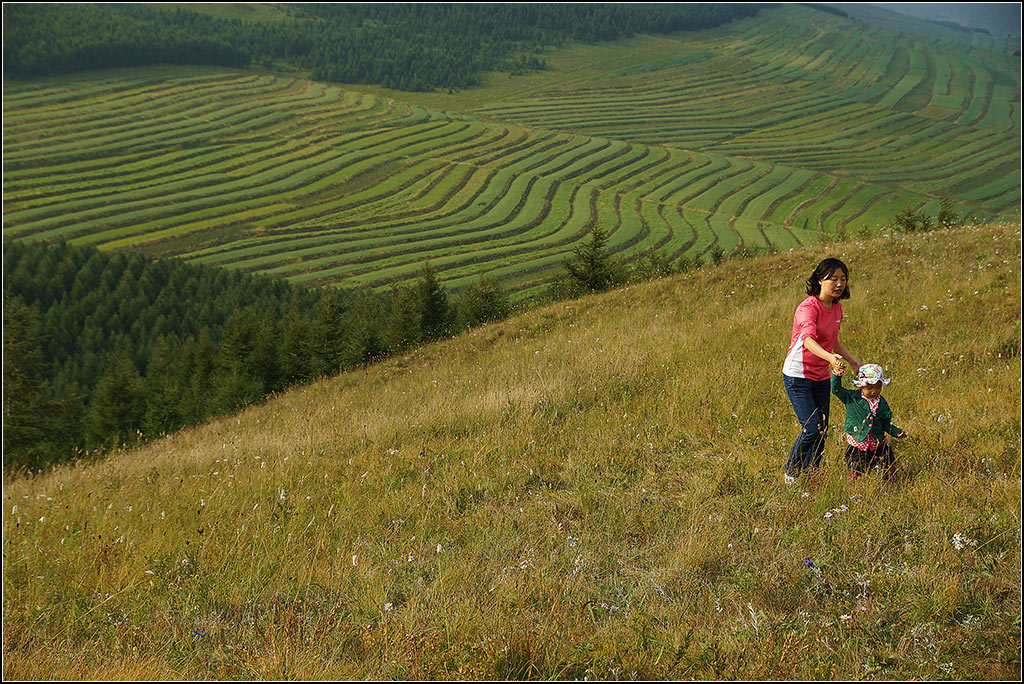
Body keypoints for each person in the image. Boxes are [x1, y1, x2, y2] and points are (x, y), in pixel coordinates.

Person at [782, 257, 862, 485]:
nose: (839, 284)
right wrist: (829, 358)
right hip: (798, 375)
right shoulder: (808, 308)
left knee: (822, 429)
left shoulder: (836, 307)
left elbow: (831, 339)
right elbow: (807, 339)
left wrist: (851, 359)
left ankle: (812, 473)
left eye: (843, 279)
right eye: (833, 279)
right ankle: (791, 472)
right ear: (819, 280)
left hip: (820, 376)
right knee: (811, 429)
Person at [831, 363, 907, 482]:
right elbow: (836, 390)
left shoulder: (882, 403)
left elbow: (886, 423)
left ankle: (889, 484)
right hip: (858, 440)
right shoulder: (852, 398)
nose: (874, 391)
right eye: (869, 388)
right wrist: (837, 374)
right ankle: (854, 484)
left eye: (878, 387)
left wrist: (896, 432)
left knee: (887, 462)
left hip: (877, 440)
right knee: (857, 464)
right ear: (861, 386)